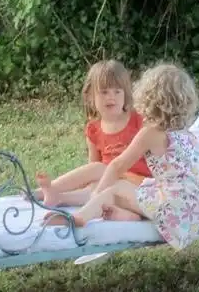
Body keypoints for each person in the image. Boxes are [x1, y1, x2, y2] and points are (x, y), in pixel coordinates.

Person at [43, 63, 199, 250]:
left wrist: (96, 195)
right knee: (138, 191)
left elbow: (117, 166)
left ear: (147, 99)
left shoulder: (150, 132)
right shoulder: (187, 135)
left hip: (177, 211)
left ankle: (81, 216)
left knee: (115, 188)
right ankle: (126, 215)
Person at [29, 60, 151, 209]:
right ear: (90, 96)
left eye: (117, 91)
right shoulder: (93, 129)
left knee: (98, 169)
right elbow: (91, 166)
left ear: (125, 94)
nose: (111, 97)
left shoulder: (138, 120)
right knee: (94, 182)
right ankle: (58, 197)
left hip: (138, 183)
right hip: (109, 183)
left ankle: (49, 189)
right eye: (104, 92)